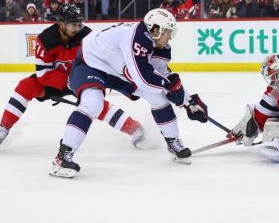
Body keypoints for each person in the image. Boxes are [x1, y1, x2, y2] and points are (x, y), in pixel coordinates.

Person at [49, 9, 209, 178]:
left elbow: (162, 75)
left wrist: (189, 102)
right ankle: (63, 156)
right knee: (93, 103)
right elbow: (144, 80)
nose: (170, 37)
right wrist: (172, 88)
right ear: (156, 30)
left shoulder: (161, 46)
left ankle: (173, 142)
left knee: (158, 97)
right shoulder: (135, 37)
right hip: (91, 64)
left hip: (119, 72)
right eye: (169, 32)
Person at [0, 4, 144, 151]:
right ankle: (3, 128)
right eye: (73, 25)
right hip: (55, 81)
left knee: (95, 103)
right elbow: (43, 74)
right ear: (62, 25)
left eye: (79, 25)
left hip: (81, 77)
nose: (77, 29)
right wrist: (68, 82)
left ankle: (135, 128)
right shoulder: (45, 40)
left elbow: (99, 61)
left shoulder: (87, 36)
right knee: (26, 86)